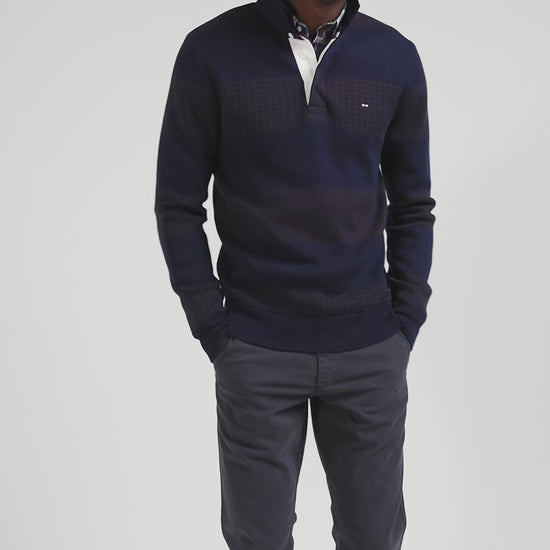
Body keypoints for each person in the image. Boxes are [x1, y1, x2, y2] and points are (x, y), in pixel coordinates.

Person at [154, 0, 436, 548]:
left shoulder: (395, 57)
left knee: (374, 538)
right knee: (257, 539)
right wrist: (212, 327)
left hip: (369, 350)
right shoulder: (210, 51)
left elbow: (413, 206)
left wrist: (405, 320)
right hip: (255, 349)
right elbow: (178, 204)